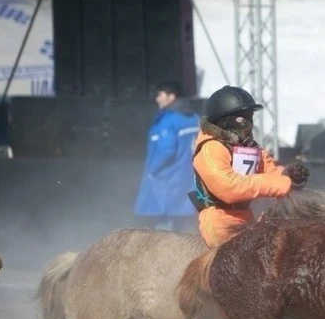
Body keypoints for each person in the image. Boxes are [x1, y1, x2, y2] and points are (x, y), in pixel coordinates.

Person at [188, 85, 310, 247]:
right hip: (219, 222)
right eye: (242, 118)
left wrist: (289, 175)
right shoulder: (211, 148)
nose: (248, 123)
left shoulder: (246, 145)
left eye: (249, 117)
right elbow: (229, 188)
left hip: (246, 217)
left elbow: (269, 170)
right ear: (224, 120)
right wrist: (282, 184)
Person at [133, 81, 201, 233]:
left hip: (167, 180)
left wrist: (152, 171)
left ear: (171, 96)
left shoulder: (167, 120)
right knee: (185, 224)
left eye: (160, 95)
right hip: (189, 179)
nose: (157, 99)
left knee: (163, 226)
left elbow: (166, 151)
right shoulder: (194, 118)